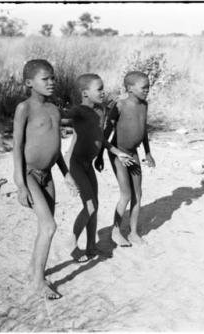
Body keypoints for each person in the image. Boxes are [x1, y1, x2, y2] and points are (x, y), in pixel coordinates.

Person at [13, 59, 78, 299]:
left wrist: (66, 174)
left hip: (48, 175)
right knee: (50, 226)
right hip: (29, 174)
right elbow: (17, 146)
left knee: (45, 227)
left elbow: (55, 146)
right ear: (29, 83)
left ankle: (33, 270)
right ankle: (39, 283)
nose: (51, 82)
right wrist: (20, 183)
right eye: (45, 79)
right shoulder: (24, 108)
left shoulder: (54, 109)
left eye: (53, 78)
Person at [62, 73, 135, 262]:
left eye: (103, 88)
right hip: (76, 163)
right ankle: (73, 241)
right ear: (85, 93)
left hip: (88, 165)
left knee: (95, 205)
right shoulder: (78, 111)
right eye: (99, 89)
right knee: (90, 206)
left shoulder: (101, 110)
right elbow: (61, 118)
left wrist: (115, 152)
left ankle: (91, 247)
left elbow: (100, 138)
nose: (103, 92)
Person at [96, 71, 156, 246]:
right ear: (130, 88)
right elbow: (106, 133)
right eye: (144, 87)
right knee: (126, 194)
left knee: (138, 194)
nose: (147, 90)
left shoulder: (144, 105)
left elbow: (143, 129)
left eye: (148, 87)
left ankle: (133, 233)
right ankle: (116, 231)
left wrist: (147, 152)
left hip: (133, 153)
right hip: (118, 154)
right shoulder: (120, 105)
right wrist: (100, 155)